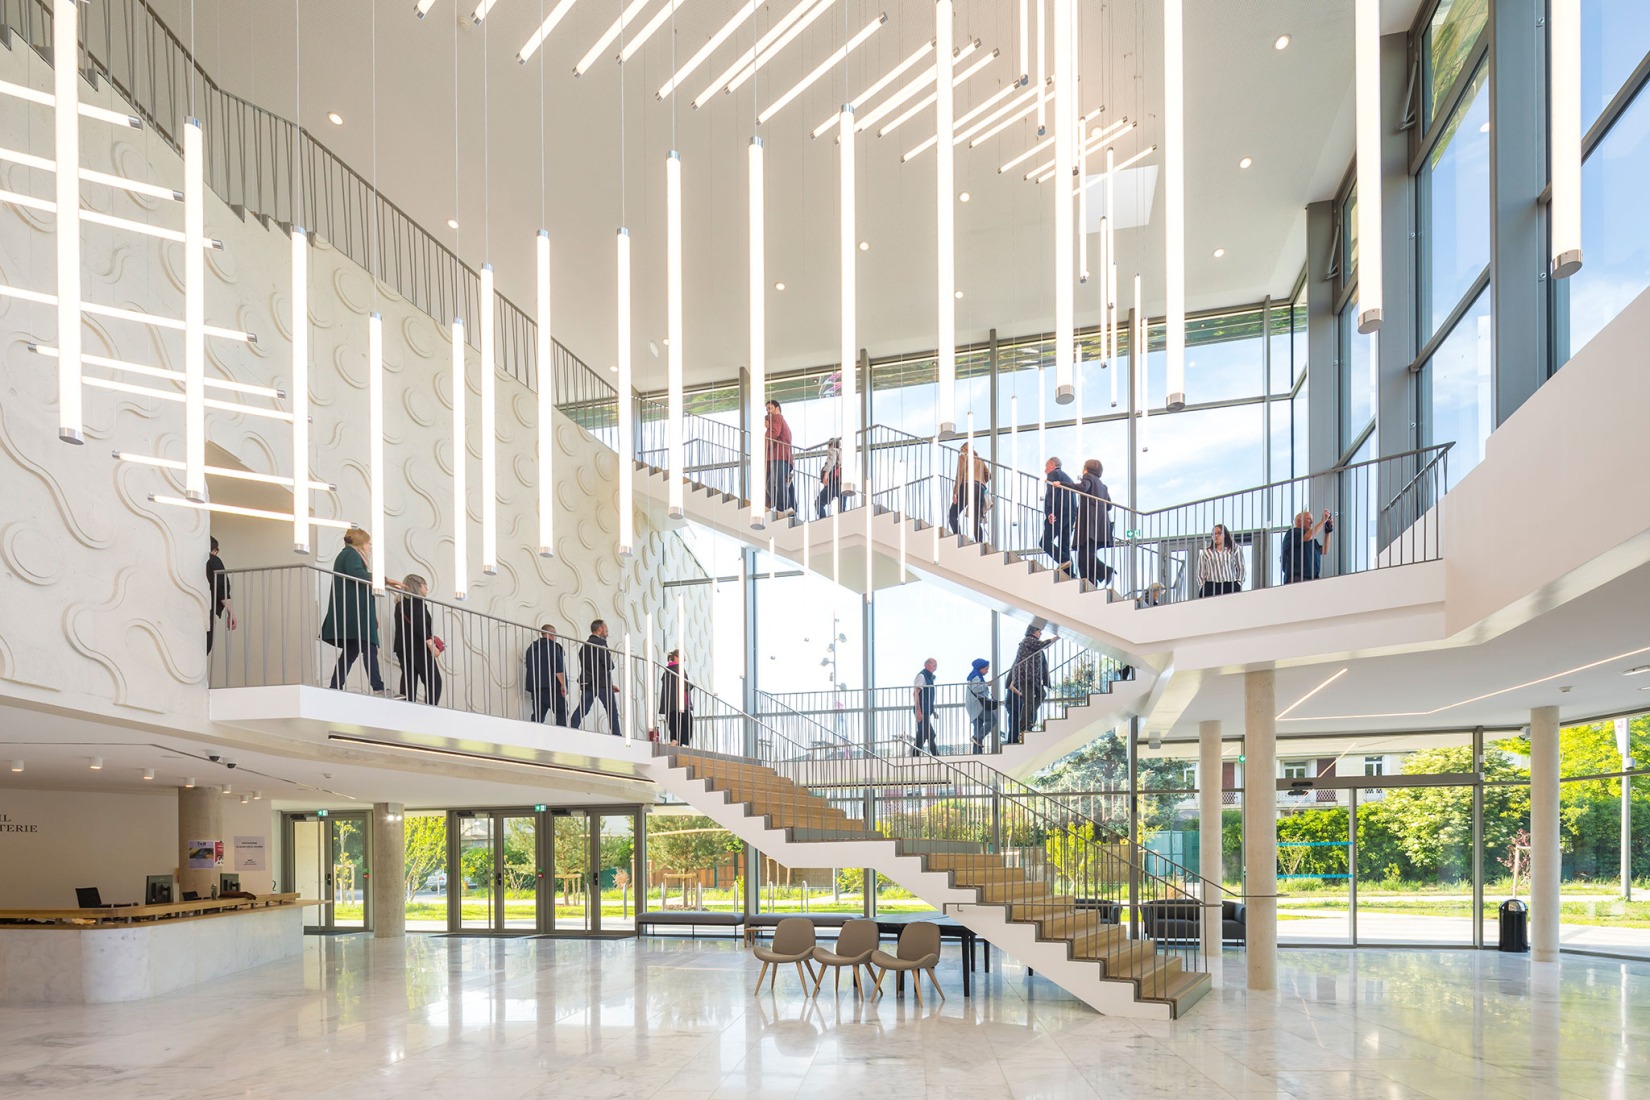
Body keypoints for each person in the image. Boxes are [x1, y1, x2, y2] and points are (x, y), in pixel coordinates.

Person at [321, 528, 403, 693]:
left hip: (357, 613)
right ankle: (378, 687)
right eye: (368, 543)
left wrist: (372, 615)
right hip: (356, 613)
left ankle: (335, 686)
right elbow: (356, 574)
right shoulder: (351, 555)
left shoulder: (347, 554)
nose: (370, 547)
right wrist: (384, 580)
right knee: (369, 648)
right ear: (361, 543)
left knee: (352, 652)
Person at [392, 574, 442, 704]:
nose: (426, 589)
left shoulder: (400, 605)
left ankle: (407, 707)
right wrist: (431, 644)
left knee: (409, 679)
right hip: (419, 647)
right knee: (434, 680)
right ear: (418, 587)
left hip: (403, 648)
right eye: (425, 585)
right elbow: (420, 624)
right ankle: (430, 709)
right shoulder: (418, 602)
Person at [1006, 624, 1058, 744]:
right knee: (1029, 701)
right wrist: (1056, 638)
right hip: (1026, 677)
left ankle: (1027, 719)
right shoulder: (1028, 640)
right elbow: (1042, 645)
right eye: (1039, 631)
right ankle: (1023, 726)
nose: (1041, 634)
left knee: (1041, 695)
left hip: (1032, 678)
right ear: (1034, 631)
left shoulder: (1030, 642)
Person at [569, 619, 621, 736]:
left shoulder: (584, 646)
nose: (607, 633)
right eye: (606, 630)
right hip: (602, 684)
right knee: (612, 710)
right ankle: (617, 735)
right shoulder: (600, 644)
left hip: (589, 683)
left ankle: (572, 728)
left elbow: (590, 666)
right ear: (600, 629)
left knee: (583, 709)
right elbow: (609, 665)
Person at [1073, 459, 1116, 586]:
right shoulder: (1102, 486)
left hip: (1089, 524)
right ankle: (1091, 582)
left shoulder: (1088, 478)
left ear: (1086, 468)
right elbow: (1109, 505)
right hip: (1101, 526)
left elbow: (1082, 487)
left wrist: (1063, 484)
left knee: (1084, 556)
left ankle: (1104, 571)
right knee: (1087, 555)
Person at [524, 624, 567, 724]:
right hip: (552, 687)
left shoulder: (531, 648)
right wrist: (563, 685)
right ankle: (562, 736)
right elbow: (558, 667)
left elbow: (529, 666)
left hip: (536, 688)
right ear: (551, 634)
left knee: (538, 716)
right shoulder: (553, 646)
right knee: (562, 712)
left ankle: (533, 736)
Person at [948, 443, 992, 543]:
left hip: (967, 486)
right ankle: (979, 544)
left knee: (952, 514)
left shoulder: (963, 456)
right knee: (975, 520)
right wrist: (980, 480)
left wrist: (955, 492)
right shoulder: (979, 460)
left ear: (964, 449)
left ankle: (957, 537)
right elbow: (989, 475)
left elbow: (960, 474)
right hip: (980, 489)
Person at [1280, 509, 1335, 584]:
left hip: (1312, 578)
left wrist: (1327, 532)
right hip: (1297, 578)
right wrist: (1323, 521)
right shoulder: (1293, 533)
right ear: (1299, 521)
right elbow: (1307, 537)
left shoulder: (1311, 540)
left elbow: (1324, 550)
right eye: (1309, 519)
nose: (1312, 522)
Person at [1042, 458, 1076, 571]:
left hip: (1057, 514)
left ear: (1052, 464)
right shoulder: (1069, 479)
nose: (1045, 470)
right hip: (1070, 515)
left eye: (1046, 467)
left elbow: (1051, 494)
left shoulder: (1053, 474)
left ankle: (1064, 559)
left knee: (1044, 542)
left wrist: (1050, 512)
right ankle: (1070, 574)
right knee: (1064, 546)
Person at [764, 399, 794, 513]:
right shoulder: (783, 422)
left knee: (777, 482)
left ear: (777, 409)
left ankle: (786, 507)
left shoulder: (777, 418)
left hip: (779, 456)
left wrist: (767, 431)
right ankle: (783, 507)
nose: (768, 412)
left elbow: (773, 433)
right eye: (767, 409)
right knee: (771, 485)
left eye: (770, 408)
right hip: (784, 457)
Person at [658, 649, 694, 746]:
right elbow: (685, 685)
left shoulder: (667, 672)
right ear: (676, 658)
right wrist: (691, 685)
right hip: (680, 703)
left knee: (675, 724)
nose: (684, 660)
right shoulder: (679, 669)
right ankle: (676, 741)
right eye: (683, 658)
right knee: (686, 723)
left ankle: (675, 742)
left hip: (670, 704)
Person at [1199, 524, 1245, 598]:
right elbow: (1200, 572)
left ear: (1225, 534)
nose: (1216, 536)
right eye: (1213, 534)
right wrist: (1203, 585)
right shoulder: (1206, 553)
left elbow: (1241, 568)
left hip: (1230, 585)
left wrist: (1238, 583)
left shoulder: (1235, 549)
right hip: (1211, 587)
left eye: (1219, 533)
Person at [206, 536, 234, 653]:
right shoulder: (214, 560)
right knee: (204, 646)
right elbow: (221, 588)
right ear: (215, 550)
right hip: (206, 611)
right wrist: (230, 613)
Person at [964, 658, 994, 753]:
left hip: (972, 706)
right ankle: (976, 738)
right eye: (986, 668)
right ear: (980, 668)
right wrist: (985, 684)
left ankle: (977, 754)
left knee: (977, 728)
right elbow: (976, 689)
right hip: (978, 705)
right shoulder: (976, 676)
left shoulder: (973, 676)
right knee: (993, 720)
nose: (987, 671)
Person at [911, 657, 938, 756]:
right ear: (927, 665)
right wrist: (918, 710)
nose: (935, 668)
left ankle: (915, 754)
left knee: (923, 734)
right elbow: (916, 693)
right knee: (930, 734)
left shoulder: (929, 677)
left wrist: (933, 710)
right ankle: (936, 755)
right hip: (922, 711)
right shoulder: (922, 676)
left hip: (926, 710)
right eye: (934, 665)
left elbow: (928, 696)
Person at [816, 437, 844, 519]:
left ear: (831, 444)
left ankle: (824, 520)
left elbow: (831, 461)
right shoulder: (843, 453)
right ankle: (842, 523)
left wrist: (826, 474)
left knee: (818, 503)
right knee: (842, 508)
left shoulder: (833, 450)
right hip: (843, 484)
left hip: (834, 484)